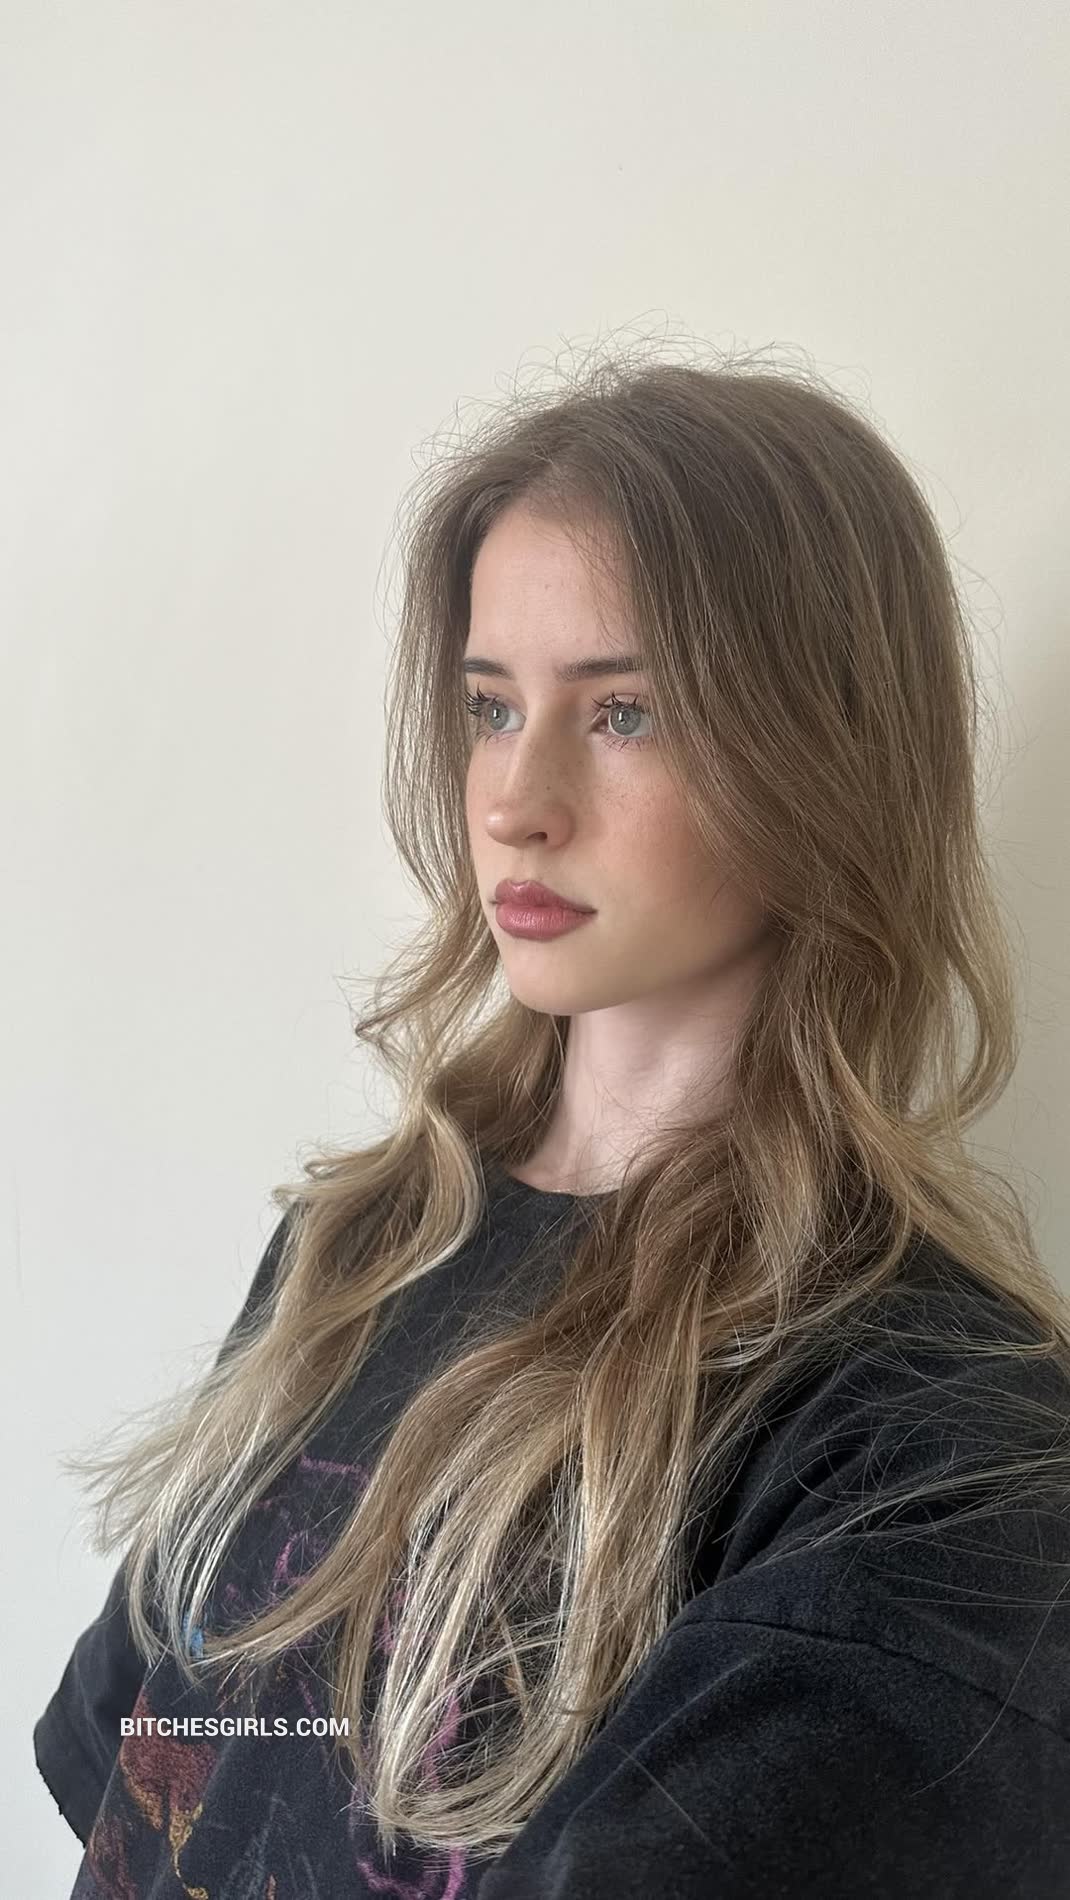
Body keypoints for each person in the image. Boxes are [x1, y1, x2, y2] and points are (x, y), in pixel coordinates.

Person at [34, 347, 1070, 1897]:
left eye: (624, 712)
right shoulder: (363, 1245)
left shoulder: (933, 1444)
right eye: (490, 706)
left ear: (824, 750)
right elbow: (154, 1770)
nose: (516, 800)